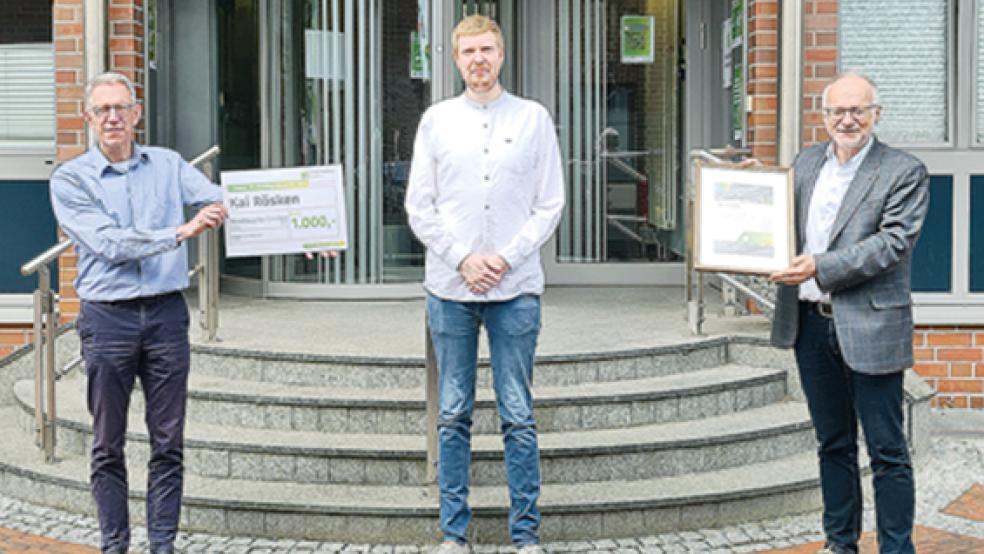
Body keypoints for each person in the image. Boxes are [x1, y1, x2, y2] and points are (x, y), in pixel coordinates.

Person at [405, 14, 565, 554]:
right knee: (452, 412)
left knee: (517, 413)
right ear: (455, 59)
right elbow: (419, 207)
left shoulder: (534, 118)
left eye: (487, 50)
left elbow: (549, 204)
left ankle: (527, 536)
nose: (478, 59)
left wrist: (503, 258)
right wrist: (463, 258)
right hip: (450, 291)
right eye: (469, 51)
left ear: (502, 55)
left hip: (516, 289)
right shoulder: (436, 121)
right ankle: (454, 534)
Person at [50, 72, 227, 554]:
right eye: (102, 109)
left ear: (136, 114)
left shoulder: (168, 165)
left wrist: (294, 234)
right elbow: (107, 244)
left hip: (167, 315)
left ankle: (162, 545)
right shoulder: (70, 179)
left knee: (168, 441)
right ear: (88, 117)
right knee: (108, 444)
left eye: (121, 108)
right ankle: (115, 544)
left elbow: (215, 198)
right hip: (108, 320)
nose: (112, 117)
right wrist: (179, 232)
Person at [769, 72, 929, 554]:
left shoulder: (903, 170)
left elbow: (892, 244)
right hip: (810, 325)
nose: (848, 119)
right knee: (833, 444)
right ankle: (841, 543)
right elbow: (781, 226)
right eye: (837, 110)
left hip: (872, 324)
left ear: (876, 113)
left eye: (858, 110)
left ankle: (896, 548)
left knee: (887, 450)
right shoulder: (805, 163)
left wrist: (821, 265)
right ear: (823, 116)